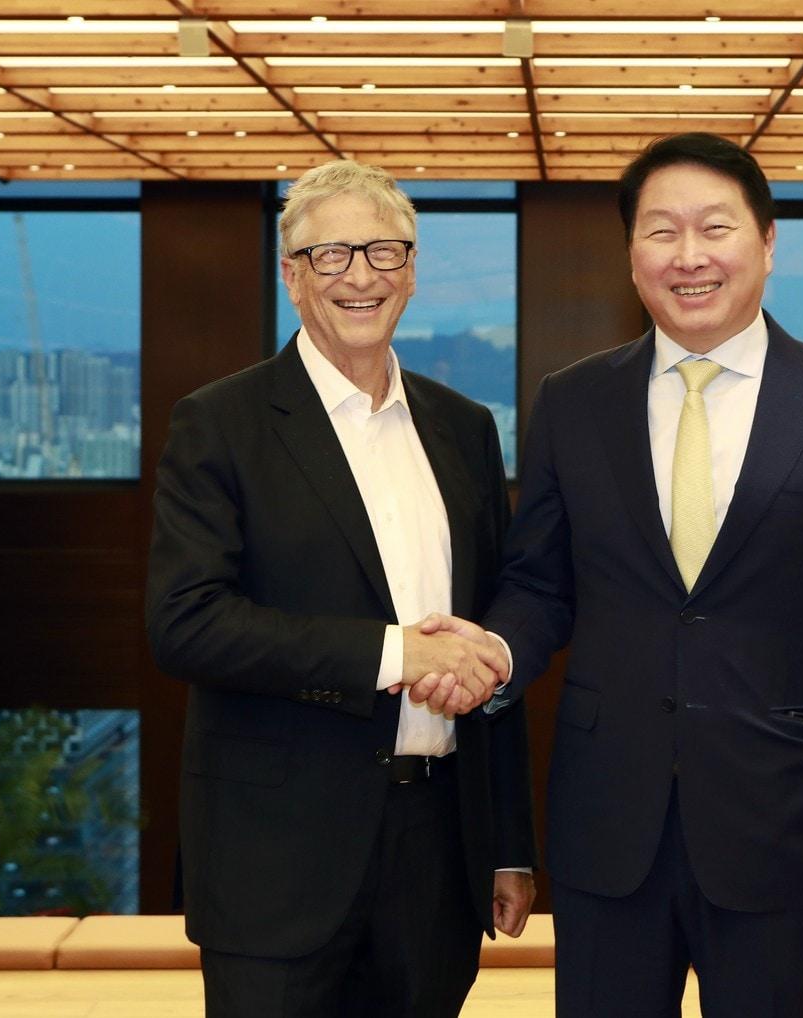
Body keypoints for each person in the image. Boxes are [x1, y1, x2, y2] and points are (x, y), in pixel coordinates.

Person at [420, 133, 803, 1017]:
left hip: (785, 827)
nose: (689, 256)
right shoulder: (573, 401)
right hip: (607, 827)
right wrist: (495, 651)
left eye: (714, 228)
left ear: (766, 243)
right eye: (661, 231)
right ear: (632, 257)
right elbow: (541, 585)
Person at [145, 159, 535, 1018]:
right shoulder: (221, 422)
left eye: (384, 251)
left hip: (438, 857)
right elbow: (186, 623)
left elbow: (487, 633)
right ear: (292, 276)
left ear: (412, 270)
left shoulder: (464, 429)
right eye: (331, 255)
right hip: (275, 864)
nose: (361, 275)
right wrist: (396, 654)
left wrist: (507, 843)